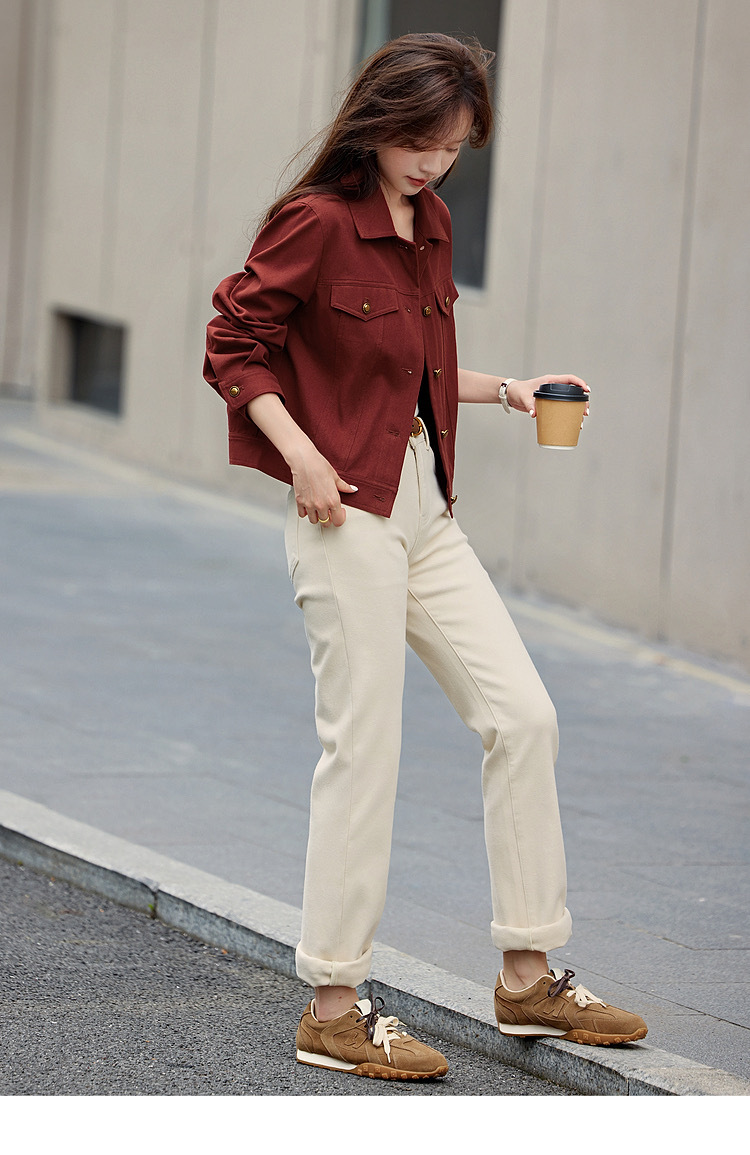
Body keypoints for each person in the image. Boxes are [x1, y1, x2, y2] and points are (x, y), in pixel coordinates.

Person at [204, 32, 647, 1081]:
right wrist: (302, 457)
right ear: (379, 121)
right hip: (344, 510)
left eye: (453, 147)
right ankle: (333, 1005)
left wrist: (511, 391)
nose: (434, 163)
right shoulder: (318, 220)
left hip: (424, 504)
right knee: (365, 749)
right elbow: (234, 343)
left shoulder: (431, 223)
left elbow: (421, 361)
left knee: (522, 716)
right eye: (421, 142)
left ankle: (528, 976)